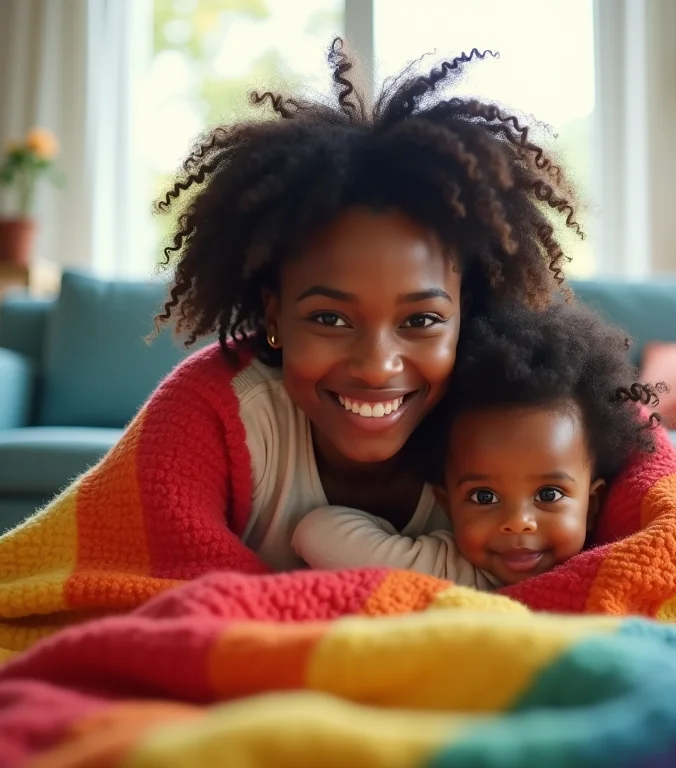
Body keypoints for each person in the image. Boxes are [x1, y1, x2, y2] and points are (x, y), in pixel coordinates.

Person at [0, 39, 583, 582]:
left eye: (420, 320)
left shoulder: (523, 410)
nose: (377, 366)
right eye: (330, 319)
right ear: (273, 316)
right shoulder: (218, 412)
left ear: (465, 314)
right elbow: (141, 586)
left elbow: (654, 522)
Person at [293, 302, 663, 588]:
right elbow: (316, 532)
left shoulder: (607, 566)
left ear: (592, 504)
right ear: (447, 503)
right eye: (484, 497)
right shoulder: (447, 566)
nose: (518, 523)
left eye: (549, 494)